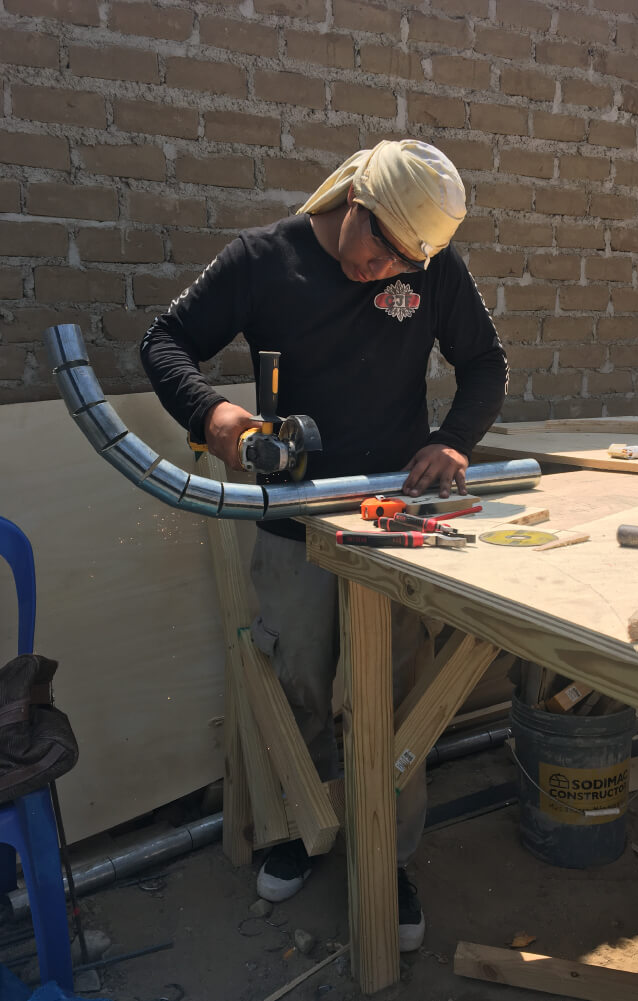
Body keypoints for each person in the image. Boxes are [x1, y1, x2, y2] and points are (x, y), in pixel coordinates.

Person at [140, 139, 509, 952]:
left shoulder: (430, 268)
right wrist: (213, 415)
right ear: (351, 200)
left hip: (391, 521)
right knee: (302, 678)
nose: (385, 272)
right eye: (377, 248)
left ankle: (390, 854)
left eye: (401, 264)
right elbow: (164, 343)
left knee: (392, 699)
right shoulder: (262, 259)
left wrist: (453, 440)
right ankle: (297, 826)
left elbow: (484, 362)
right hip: (293, 513)